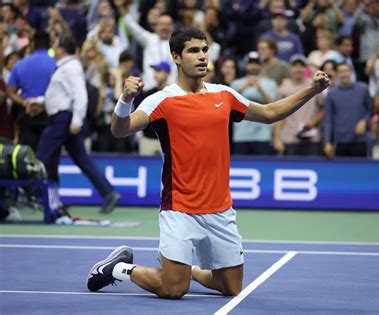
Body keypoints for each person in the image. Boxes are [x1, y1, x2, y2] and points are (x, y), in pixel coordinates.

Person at [86, 26, 330, 298]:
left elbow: (271, 112)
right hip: (180, 207)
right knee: (174, 288)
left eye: (204, 50)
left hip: (219, 209)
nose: (202, 56)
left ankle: (182, 269)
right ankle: (120, 268)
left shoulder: (224, 95)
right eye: (193, 51)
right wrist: (125, 100)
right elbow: (120, 130)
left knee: (231, 287)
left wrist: (312, 90)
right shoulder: (161, 101)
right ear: (176, 57)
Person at [35, 34, 121, 217]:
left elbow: (80, 95)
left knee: (42, 158)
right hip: (64, 118)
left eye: (55, 46)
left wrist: (76, 121)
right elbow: (59, 95)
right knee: (80, 159)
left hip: (63, 120)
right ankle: (108, 192)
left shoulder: (71, 67)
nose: (53, 49)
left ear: (61, 49)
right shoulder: (65, 67)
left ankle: (36, 196)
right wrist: (38, 102)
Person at [6, 31, 56, 151]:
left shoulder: (20, 65)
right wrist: (41, 105)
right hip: (48, 114)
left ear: (33, 44)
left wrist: (26, 103)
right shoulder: (56, 65)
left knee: (27, 156)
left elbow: (10, 91)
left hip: (26, 114)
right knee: (47, 156)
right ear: (49, 44)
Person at [273, 54, 324, 156]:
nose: (298, 69)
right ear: (291, 68)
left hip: (311, 138)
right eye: (295, 66)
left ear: (305, 68)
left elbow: (323, 109)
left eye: (301, 66)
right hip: (289, 138)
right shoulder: (283, 88)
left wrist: (313, 122)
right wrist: (277, 139)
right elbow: (278, 115)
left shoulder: (314, 85)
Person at [230, 51, 279, 155]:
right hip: (241, 135)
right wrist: (242, 88)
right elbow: (229, 103)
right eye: (250, 63)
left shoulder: (270, 83)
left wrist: (260, 88)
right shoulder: (236, 83)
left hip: (263, 135)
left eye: (256, 63)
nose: (253, 66)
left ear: (261, 65)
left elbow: (274, 106)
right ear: (246, 65)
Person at [323, 62, 372, 158]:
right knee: (340, 172)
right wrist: (327, 142)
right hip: (340, 141)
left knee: (360, 171)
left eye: (346, 71)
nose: (344, 74)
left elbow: (370, 110)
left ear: (351, 72)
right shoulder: (331, 93)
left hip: (360, 140)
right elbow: (328, 120)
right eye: (340, 72)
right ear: (336, 74)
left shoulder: (363, 89)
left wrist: (364, 121)